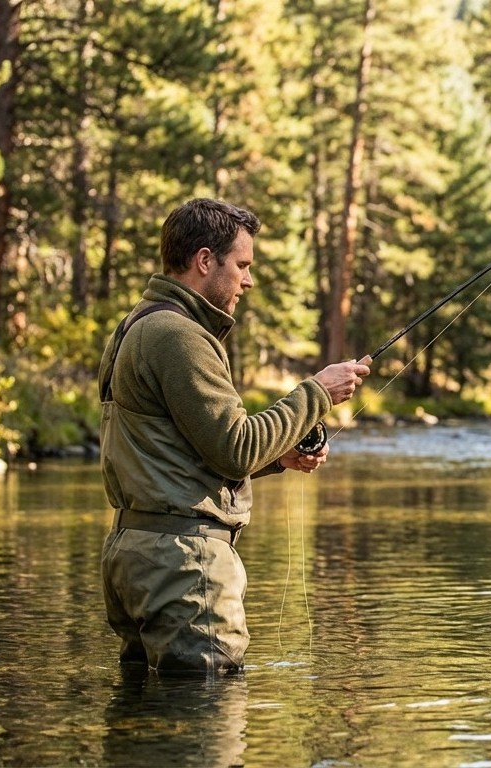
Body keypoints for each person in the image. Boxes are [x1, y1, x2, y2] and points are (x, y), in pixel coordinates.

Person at [98, 197, 371, 675]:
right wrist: (317, 393)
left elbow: (186, 449)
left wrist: (279, 458)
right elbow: (235, 446)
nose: (249, 280)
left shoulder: (136, 325)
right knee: (208, 724)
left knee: (148, 729)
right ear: (205, 260)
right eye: (242, 265)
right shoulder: (177, 335)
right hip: (183, 568)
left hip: (137, 554)